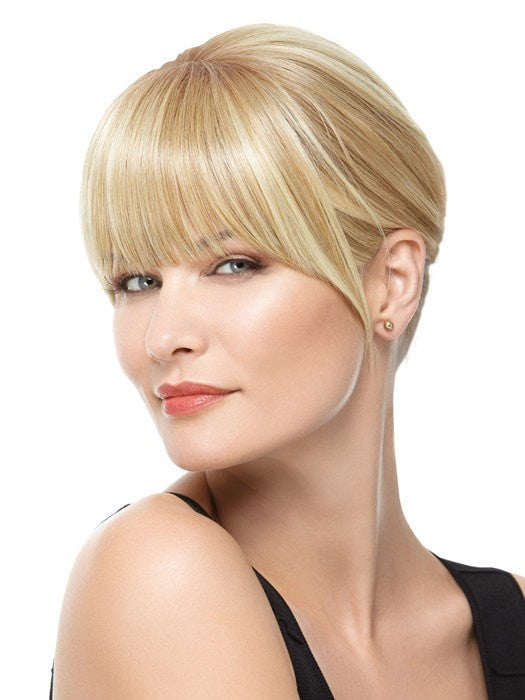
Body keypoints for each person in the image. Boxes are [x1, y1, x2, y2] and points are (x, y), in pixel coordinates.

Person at [49, 23, 525, 699]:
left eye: (233, 265)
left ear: (392, 282)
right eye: (137, 281)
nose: (162, 336)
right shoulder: (160, 571)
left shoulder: (510, 621)